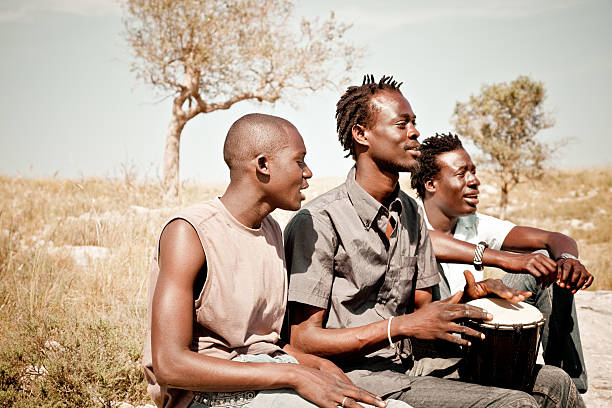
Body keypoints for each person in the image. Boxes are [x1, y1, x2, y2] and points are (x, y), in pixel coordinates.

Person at [284, 75, 585, 407]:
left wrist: (467, 298)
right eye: (402, 124)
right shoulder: (319, 221)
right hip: (360, 374)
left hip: (416, 363)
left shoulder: (410, 213)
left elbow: (424, 312)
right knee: (515, 404)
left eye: (414, 123)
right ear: (361, 134)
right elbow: (303, 340)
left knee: (554, 381)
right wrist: (399, 327)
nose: (415, 133)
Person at [142, 113, 407, 408]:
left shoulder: (271, 232)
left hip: (268, 372)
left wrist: (317, 366)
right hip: (205, 395)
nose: (308, 173)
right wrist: (295, 375)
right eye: (300, 161)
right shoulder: (189, 232)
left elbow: (265, 341)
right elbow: (170, 365)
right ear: (263, 165)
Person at [410, 132, 594, 392]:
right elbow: (425, 241)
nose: (474, 181)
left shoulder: (472, 223)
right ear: (431, 184)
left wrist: (568, 259)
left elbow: (554, 238)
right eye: (461, 174)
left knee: (547, 266)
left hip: (477, 327)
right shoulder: (411, 218)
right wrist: (503, 259)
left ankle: (569, 384)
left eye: (473, 172)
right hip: (435, 342)